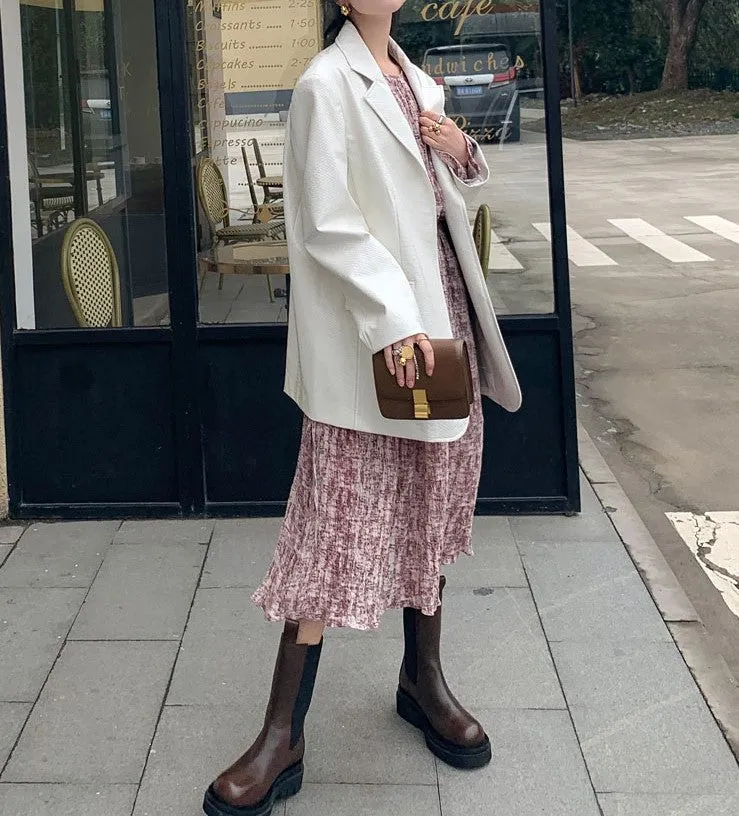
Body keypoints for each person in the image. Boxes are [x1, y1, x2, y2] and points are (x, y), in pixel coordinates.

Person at [202, 3, 522, 815]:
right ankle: (282, 735)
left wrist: (463, 151)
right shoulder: (323, 84)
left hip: (445, 323)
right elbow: (327, 226)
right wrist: (395, 321)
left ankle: (422, 680)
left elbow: (442, 200)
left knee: (432, 504)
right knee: (331, 521)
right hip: (383, 336)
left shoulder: (415, 80)